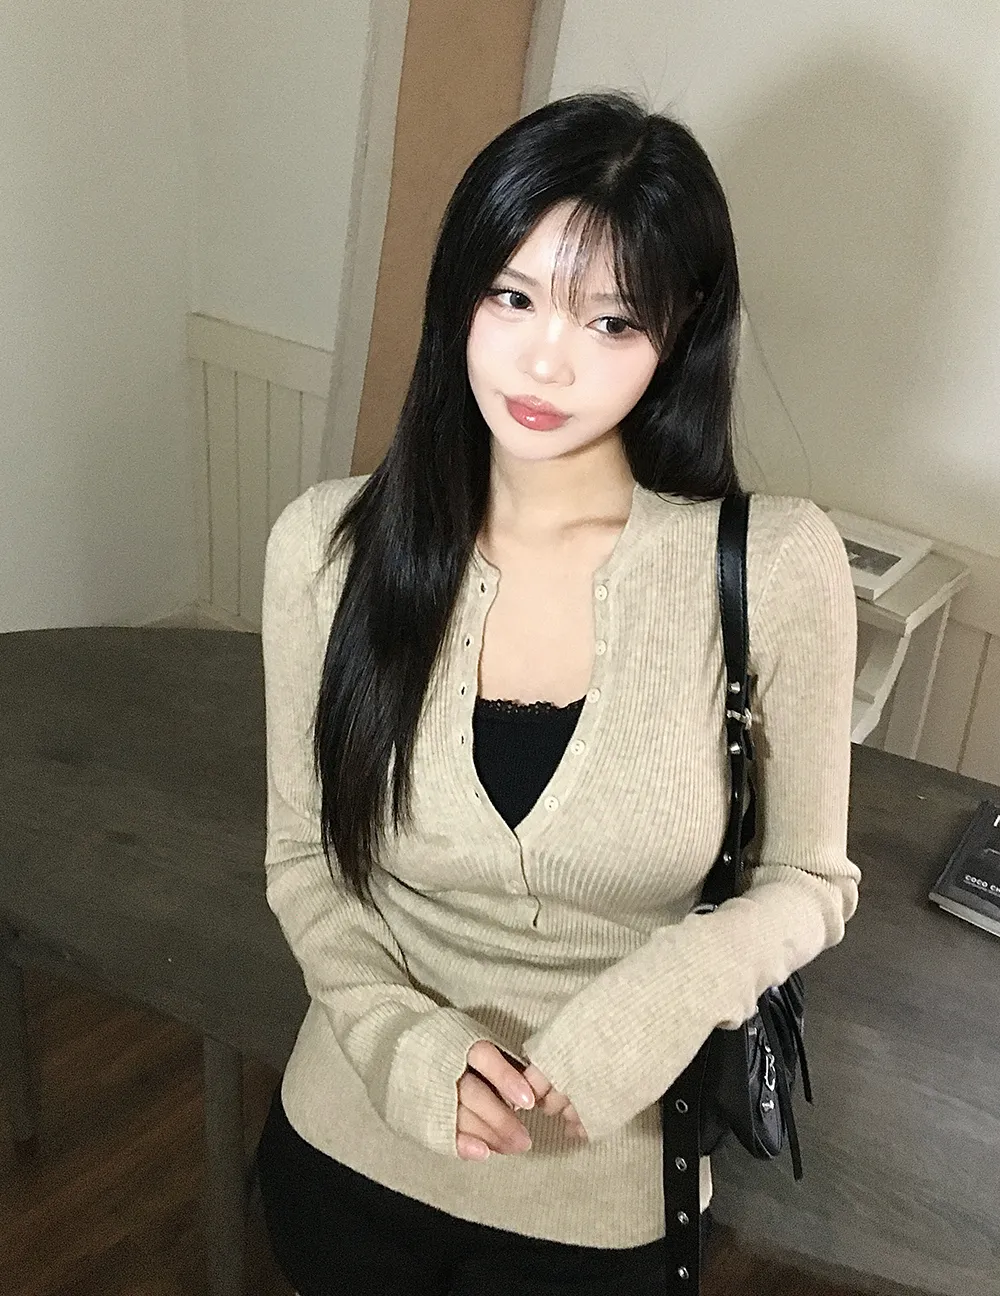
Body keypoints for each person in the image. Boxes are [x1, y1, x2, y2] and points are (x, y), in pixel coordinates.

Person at [253, 88, 861, 1295]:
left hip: (604, 1196)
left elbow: (811, 879)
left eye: (611, 320)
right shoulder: (327, 549)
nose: (546, 359)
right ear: (458, 296)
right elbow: (302, 859)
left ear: (679, 331)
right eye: (513, 297)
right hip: (349, 1147)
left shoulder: (773, 566)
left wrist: (660, 1001)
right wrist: (398, 1041)